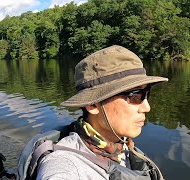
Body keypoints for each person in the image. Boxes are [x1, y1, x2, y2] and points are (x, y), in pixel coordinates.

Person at [36, 45, 168, 180]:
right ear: (92, 104)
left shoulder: (121, 145)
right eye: (135, 95)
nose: (147, 107)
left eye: (146, 94)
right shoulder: (64, 166)